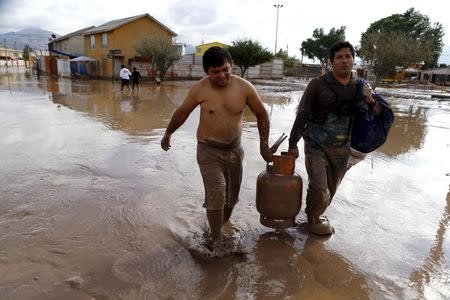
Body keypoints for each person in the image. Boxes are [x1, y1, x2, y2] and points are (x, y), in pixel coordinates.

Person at [161, 46, 273, 254]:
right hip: (208, 150)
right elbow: (182, 112)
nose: (221, 75)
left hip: (235, 150)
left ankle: (218, 225)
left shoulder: (245, 87)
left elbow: (262, 115)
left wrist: (264, 146)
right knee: (217, 193)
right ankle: (216, 239)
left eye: (225, 69)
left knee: (231, 198)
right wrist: (168, 133)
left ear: (231, 66)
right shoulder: (200, 89)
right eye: (215, 72)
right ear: (207, 72)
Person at [287, 41, 381, 235]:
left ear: (353, 60)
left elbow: (379, 114)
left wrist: (370, 100)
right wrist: (292, 144)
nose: (344, 61)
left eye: (348, 56)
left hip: (342, 148)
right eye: (339, 57)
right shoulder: (317, 85)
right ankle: (312, 219)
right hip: (316, 144)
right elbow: (302, 114)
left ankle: (313, 215)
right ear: (332, 63)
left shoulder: (360, 87)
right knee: (320, 188)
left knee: (330, 190)